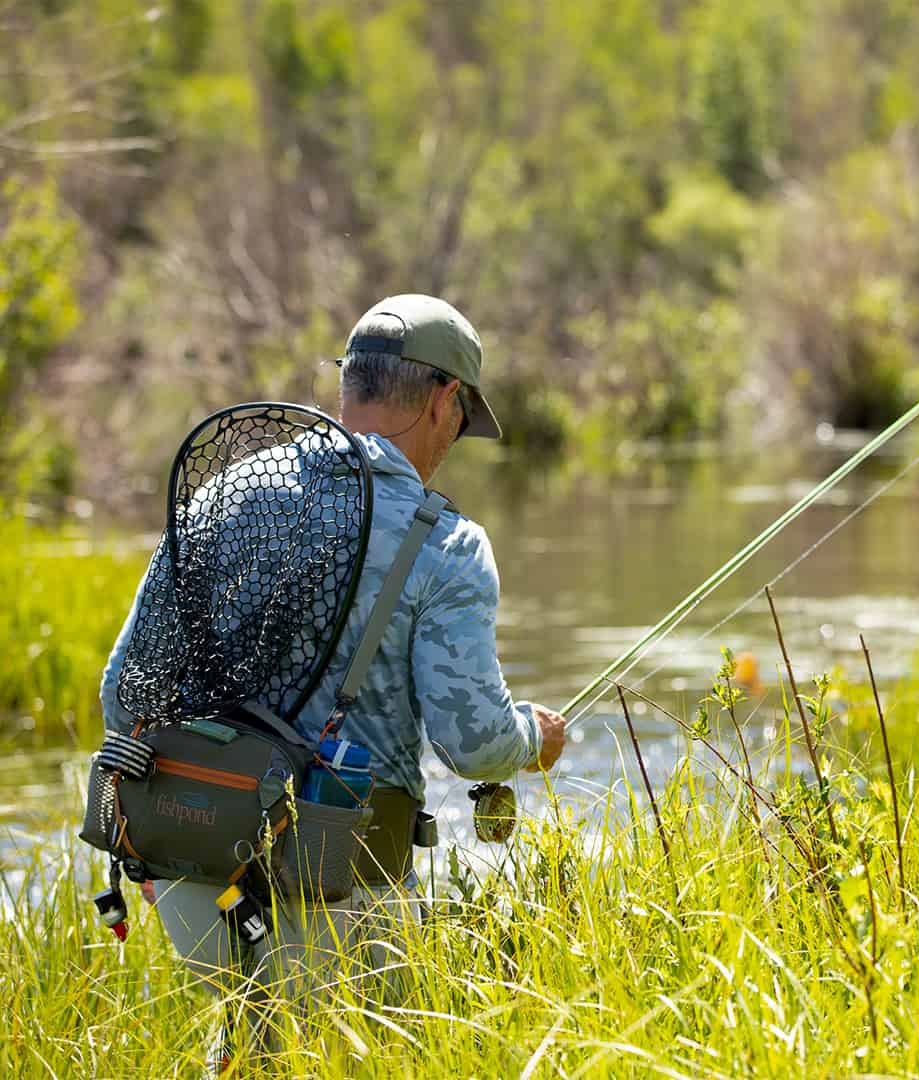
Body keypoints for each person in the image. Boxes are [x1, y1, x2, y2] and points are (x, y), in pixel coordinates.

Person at [98, 293, 567, 1055]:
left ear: (350, 384)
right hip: (334, 881)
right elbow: (475, 744)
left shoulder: (228, 491)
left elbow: (124, 694)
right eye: (460, 420)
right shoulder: (447, 543)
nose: (453, 441)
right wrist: (533, 739)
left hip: (190, 869)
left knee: (250, 1050)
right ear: (447, 399)